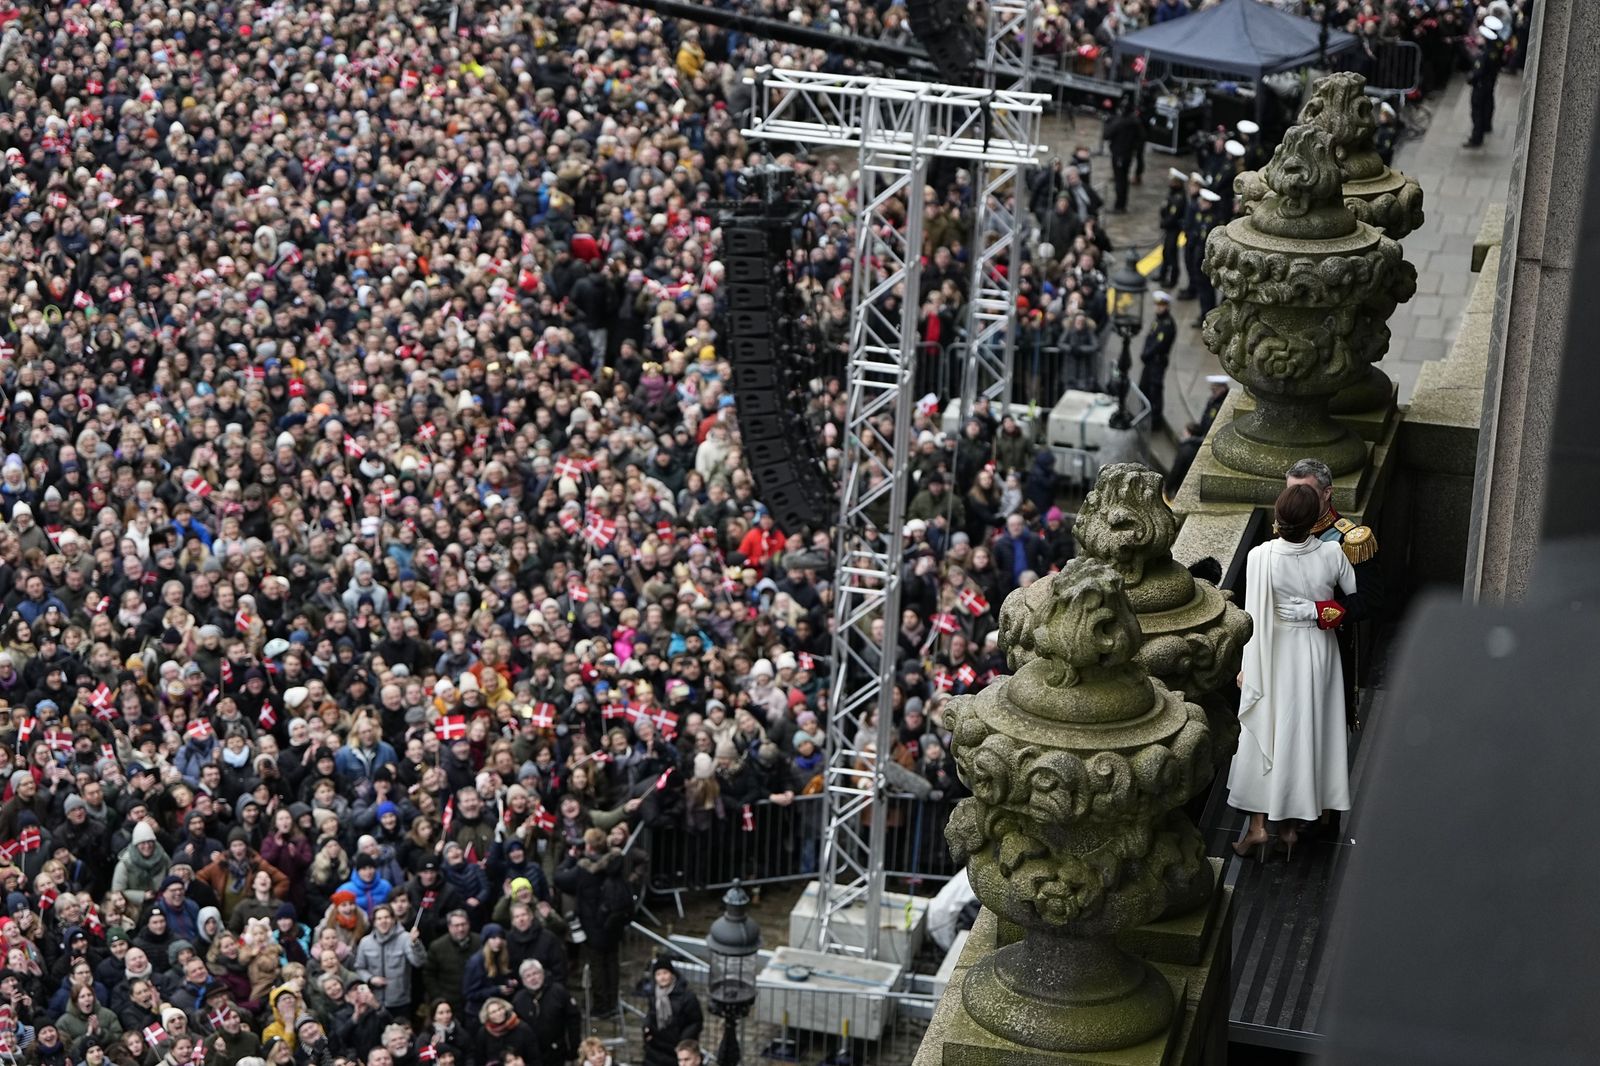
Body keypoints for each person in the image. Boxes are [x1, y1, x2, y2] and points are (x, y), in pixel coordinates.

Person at [1227, 484, 1356, 861]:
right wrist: (1316, 607)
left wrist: (1247, 667)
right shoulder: (1332, 552)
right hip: (1317, 651)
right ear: (1315, 519)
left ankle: (1258, 828)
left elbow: (1252, 616)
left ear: (1278, 518)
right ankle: (1289, 829)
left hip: (1274, 650)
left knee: (1268, 730)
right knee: (1305, 733)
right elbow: (1352, 593)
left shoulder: (1260, 556)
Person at [641, 959, 703, 1066]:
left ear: (672, 974)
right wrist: (646, 1028)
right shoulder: (653, 995)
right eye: (658, 974)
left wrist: (683, 1041)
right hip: (655, 1048)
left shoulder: (687, 997)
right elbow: (651, 1014)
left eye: (665, 973)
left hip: (676, 1048)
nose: (662, 977)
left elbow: (695, 1021)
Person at [1138, 292, 1177, 428]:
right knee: (1144, 387)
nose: (1158, 308)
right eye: (1157, 305)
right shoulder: (1157, 320)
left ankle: (1155, 419)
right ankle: (1145, 413)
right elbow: (1150, 338)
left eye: (1161, 305)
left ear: (1166, 306)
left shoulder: (1167, 324)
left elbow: (1159, 344)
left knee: (1154, 389)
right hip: (1150, 360)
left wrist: (1147, 353)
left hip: (1157, 361)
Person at [1464, 22, 1504, 148]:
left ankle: (1476, 138)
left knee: (1477, 112)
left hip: (1480, 86)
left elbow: (1477, 72)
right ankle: (1487, 125)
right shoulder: (1496, 46)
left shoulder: (1483, 54)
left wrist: (1470, 79)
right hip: (1490, 81)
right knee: (1487, 104)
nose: (1477, 38)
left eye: (1480, 36)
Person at [1104, 103, 1146, 213]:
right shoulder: (1135, 122)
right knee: (1123, 179)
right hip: (1128, 154)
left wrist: (1107, 123)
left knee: (1120, 180)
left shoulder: (1119, 122)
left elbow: (1106, 134)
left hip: (1119, 154)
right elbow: (1142, 137)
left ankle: (1119, 206)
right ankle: (1121, 204)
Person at [1158, 169, 1188, 287]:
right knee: (1165, 252)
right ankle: (1162, 274)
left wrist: (1164, 223)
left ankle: (1173, 279)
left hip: (1173, 229)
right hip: (1169, 228)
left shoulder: (1179, 197)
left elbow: (1173, 215)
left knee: (1171, 253)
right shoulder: (1172, 193)